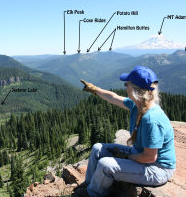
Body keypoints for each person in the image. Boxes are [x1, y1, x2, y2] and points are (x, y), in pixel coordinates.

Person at [75, 65, 176, 197]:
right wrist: (94, 89)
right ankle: (90, 184)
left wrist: (127, 157)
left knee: (106, 165)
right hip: (139, 154)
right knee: (98, 148)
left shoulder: (151, 120)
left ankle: (92, 194)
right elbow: (113, 98)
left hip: (158, 169)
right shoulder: (137, 105)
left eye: (126, 84)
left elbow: (150, 157)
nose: (125, 86)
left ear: (134, 90)